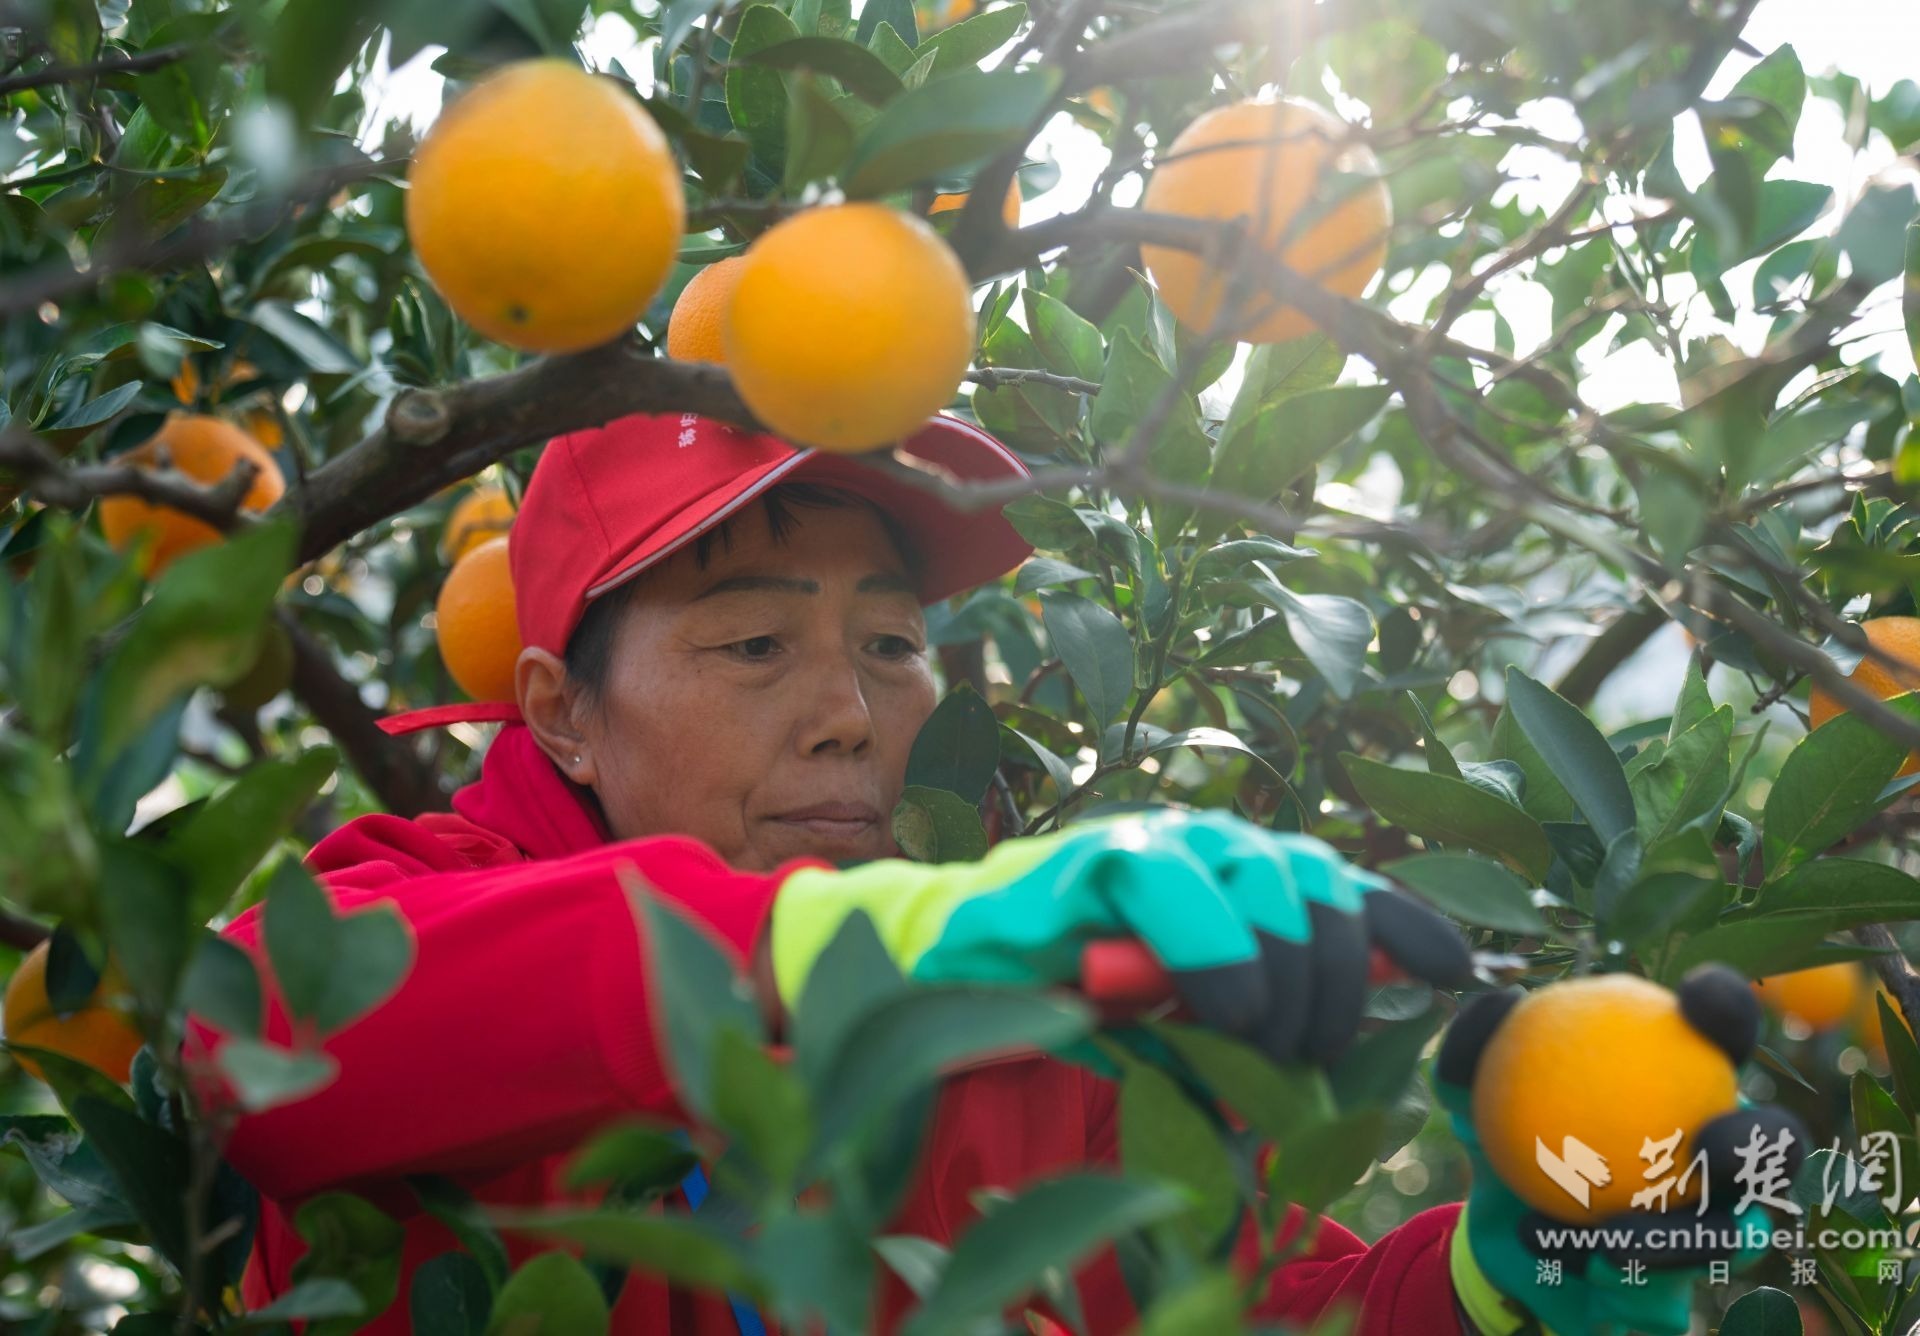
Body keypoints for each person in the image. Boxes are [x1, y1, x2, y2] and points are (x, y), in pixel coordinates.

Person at [186, 412, 1763, 1335]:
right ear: (563, 715)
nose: (848, 716)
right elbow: (260, 1045)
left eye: (889, 644)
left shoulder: (1024, 1054)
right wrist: (909, 939)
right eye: (755, 644)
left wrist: (1522, 1267)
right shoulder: (407, 907)